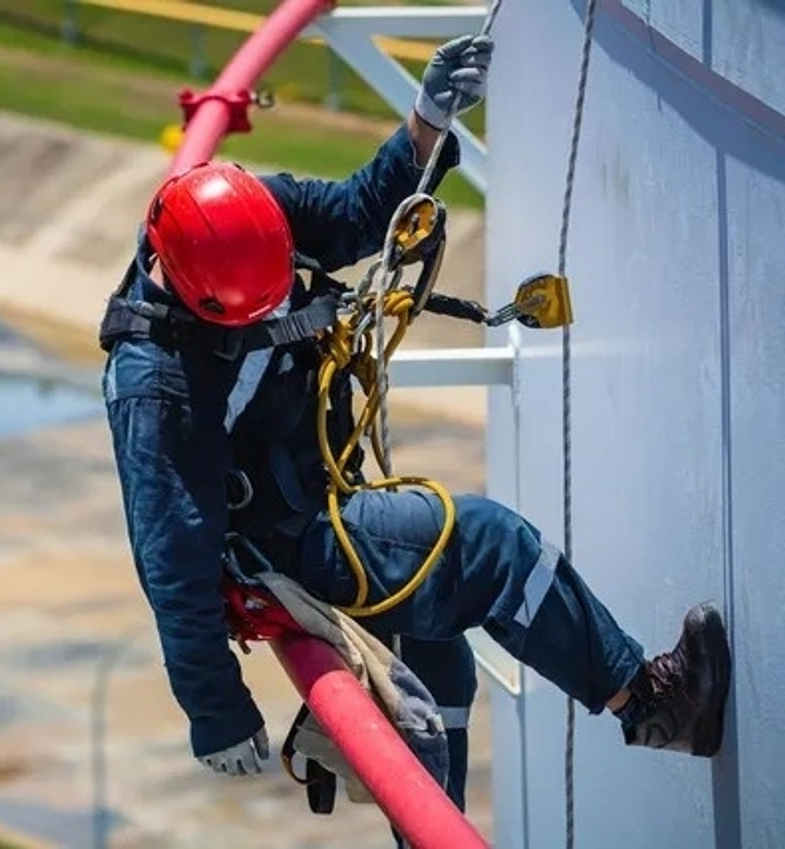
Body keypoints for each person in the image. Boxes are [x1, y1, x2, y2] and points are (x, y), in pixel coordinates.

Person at [97, 33, 732, 813]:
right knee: (491, 545)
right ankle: (651, 703)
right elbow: (171, 557)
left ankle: (434, 821)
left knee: (439, 666)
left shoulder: (244, 218)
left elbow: (362, 213)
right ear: (201, 302)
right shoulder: (158, 386)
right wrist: (216, 710)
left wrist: (427, 121)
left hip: (308, 490)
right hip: (277, 538)